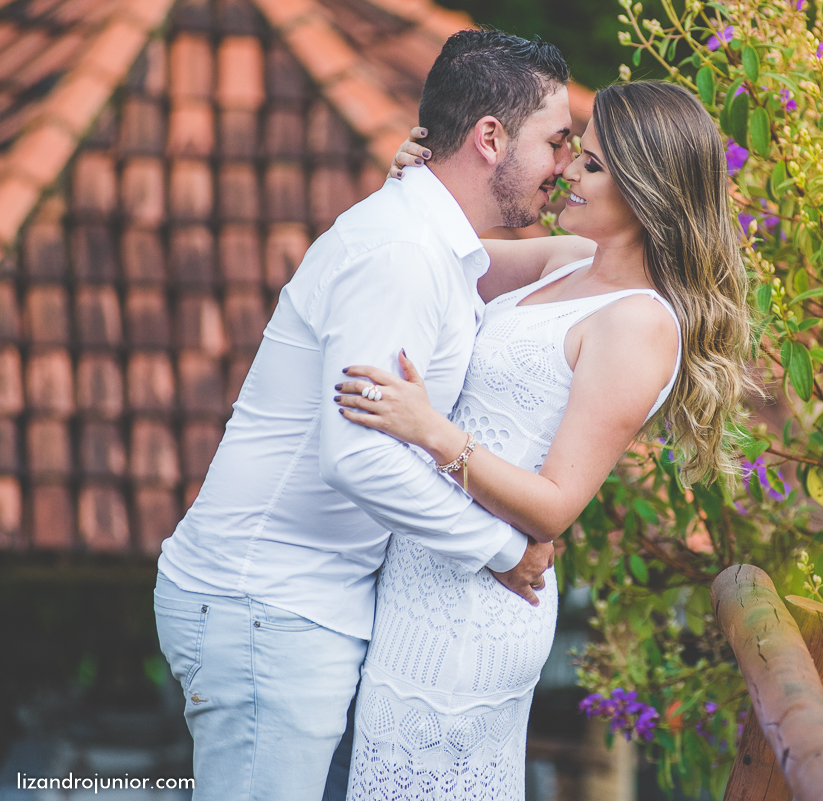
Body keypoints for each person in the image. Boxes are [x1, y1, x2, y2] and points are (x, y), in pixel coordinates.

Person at [152, 30, 576, 801]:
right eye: (557, 142)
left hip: (293, 606)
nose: (566, 167)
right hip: (268, 607)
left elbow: (589, 261)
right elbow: (357, 455)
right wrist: (500, 548)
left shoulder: (431, 243)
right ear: (490, 139)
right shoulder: (404, 253)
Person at [333, 80, 753, 799]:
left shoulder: (641, 325)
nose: (565, 172)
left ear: (645, 190)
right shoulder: (568, 262)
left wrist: (432, 431)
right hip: (426, 575)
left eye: (589, 165)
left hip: (480, 602)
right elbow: (438, 251)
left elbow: (555, 506)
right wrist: (410, 184)